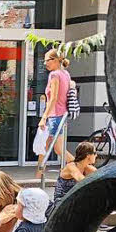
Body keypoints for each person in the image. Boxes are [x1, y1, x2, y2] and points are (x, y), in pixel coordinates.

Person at [36, 49, 75, 177]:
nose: (45, 63)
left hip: (55, 116)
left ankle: (79, 167)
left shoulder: (54, 75)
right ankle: (38, 177)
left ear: (56, 60)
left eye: (47, 60)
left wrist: (44, 117)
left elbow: (53, 98)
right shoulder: (66, 74)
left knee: (58, 149)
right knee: (45, 147)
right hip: (61, 115)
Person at [47, 142, 97, 214]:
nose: (96, 155)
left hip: (73, 200)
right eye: (95, 153)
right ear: (88, 155)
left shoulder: (87, 168)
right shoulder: (71, 167)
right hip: (61, 203)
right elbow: (82, 181)